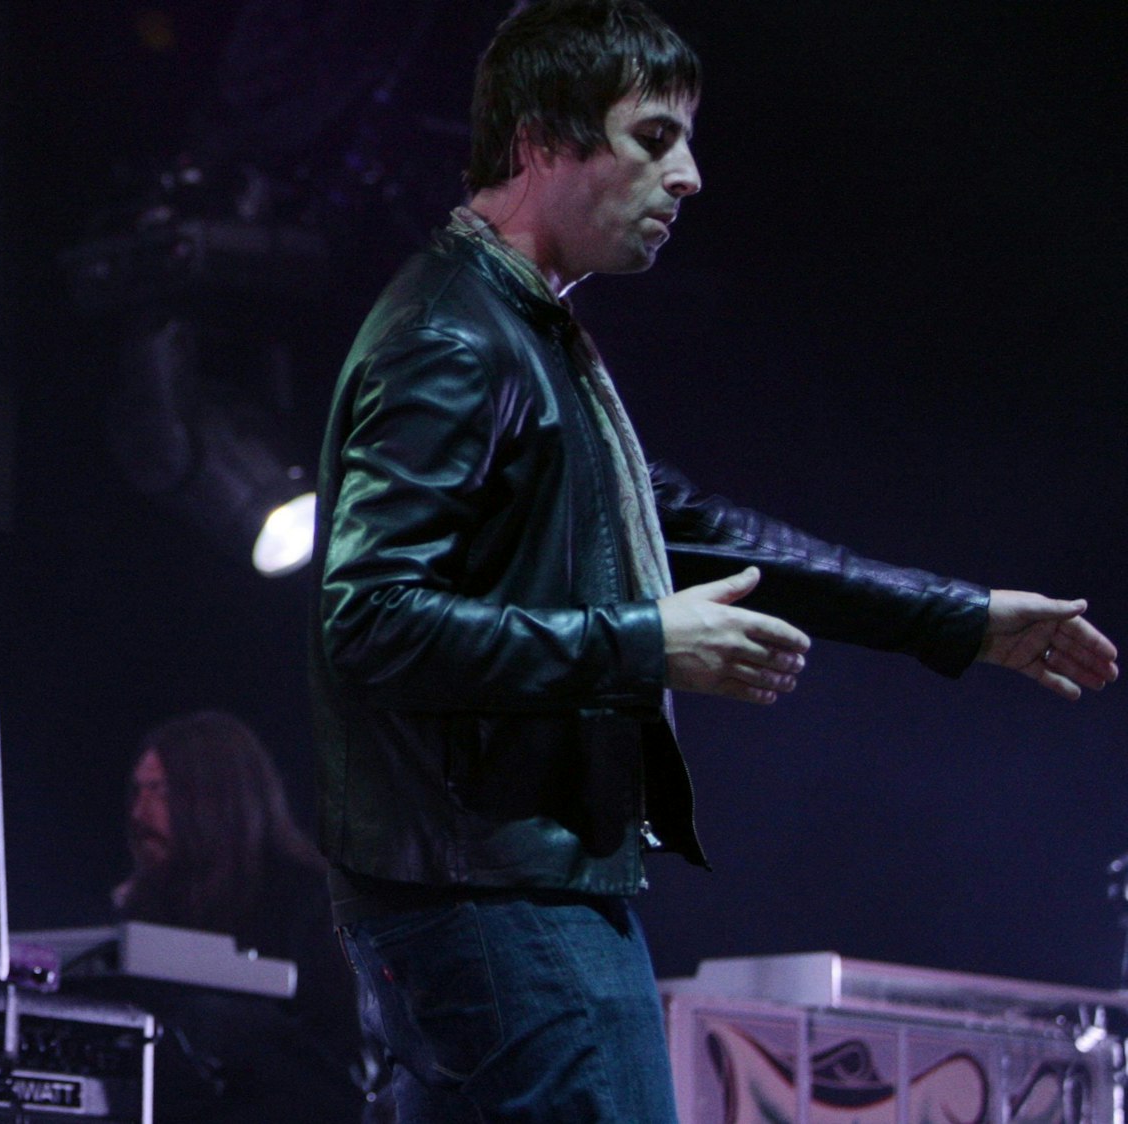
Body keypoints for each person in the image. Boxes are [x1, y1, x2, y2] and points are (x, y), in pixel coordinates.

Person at [308, 2, 1120, 1121]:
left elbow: (698, 531)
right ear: (542, 140)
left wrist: (957, 617)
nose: (686, 176)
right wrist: (643, 642)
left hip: (512, 895)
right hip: (494, 900)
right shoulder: (454, 335)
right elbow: (373, 620)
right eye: (652, 138)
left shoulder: (521, 330)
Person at [112, 710, 370, 1123]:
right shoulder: (148, 903)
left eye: (159, 791)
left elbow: (339, 1065)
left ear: (214, 798)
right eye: (138, 792)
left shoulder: (310, 899)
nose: (140, 814)